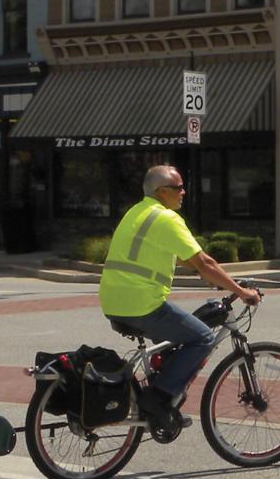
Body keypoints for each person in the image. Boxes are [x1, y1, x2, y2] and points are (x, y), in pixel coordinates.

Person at [98, 164, 261, 433]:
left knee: (184, 333)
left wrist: (213, 277)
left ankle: (160, 389)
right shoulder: (166, 218)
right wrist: (242, 292)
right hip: (142, 304)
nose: (184, 192)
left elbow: (189, 260)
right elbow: (204, 262)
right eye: (178, 187)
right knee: (203, 338)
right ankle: (159, 399)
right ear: (162, 192)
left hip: (114, 300)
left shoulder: (136, 212)